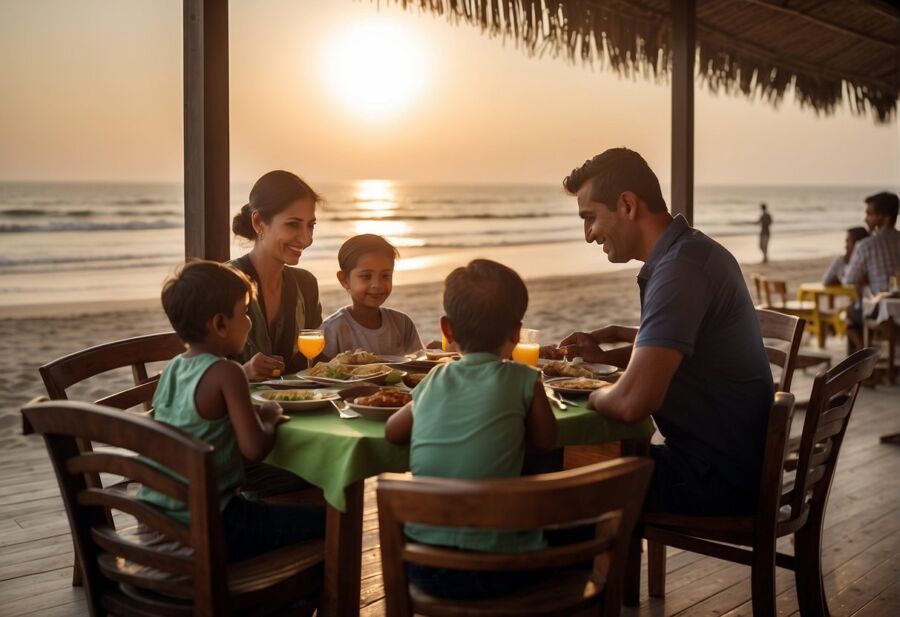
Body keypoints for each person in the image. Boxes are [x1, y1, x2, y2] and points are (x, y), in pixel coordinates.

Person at [552, 147, 773, 515]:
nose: (588, 235)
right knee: (571, 462)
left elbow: (634, 401)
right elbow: (686, 352)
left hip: (713, 478)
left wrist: (585, 395)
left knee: (552, 471)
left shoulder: (680, 269)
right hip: (725, 462)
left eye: (590, 218)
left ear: (627, 204)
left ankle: (586, 574)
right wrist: (608, 359)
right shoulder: (689, 253)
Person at [385, 259, 557, 599]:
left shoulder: (433, 379)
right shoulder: (524, 378)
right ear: (517, 333)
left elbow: (393, 432)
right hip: (502, 568)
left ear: (446, 330)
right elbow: (547, 441)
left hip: (424, 565)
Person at [138, 260, 325, 562]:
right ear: (220, 324)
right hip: (215, 523)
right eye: (246, 312)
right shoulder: (228, 372)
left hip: (158, 517)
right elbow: (254, 449)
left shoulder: (173, 368)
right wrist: (269, 417)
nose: (250, 322)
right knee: (330, 520)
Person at [230, 170, 323, 381]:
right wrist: (244, 372)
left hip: (297, 409)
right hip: (239, 410)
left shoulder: (306, 284)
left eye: (311, 225)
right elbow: (198, 369)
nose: (306, 239)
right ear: (258, 222)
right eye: (293, 224)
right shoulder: (224, 282)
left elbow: (313, 363)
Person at [322, 234, 423, 358]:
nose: (377, 285)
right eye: (366, 276)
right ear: (344, 280)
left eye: (385, 276)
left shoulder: (402, 323)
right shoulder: (333, 329)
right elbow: (321, 373)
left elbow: (419, 366)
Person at [841, 191, 900, 353]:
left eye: (870, 214)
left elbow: (849, 279)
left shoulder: (866, 245)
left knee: (849, 314)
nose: (866, 219)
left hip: (878, 308)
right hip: (895, 308)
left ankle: (863, 359)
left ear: (885, 217)